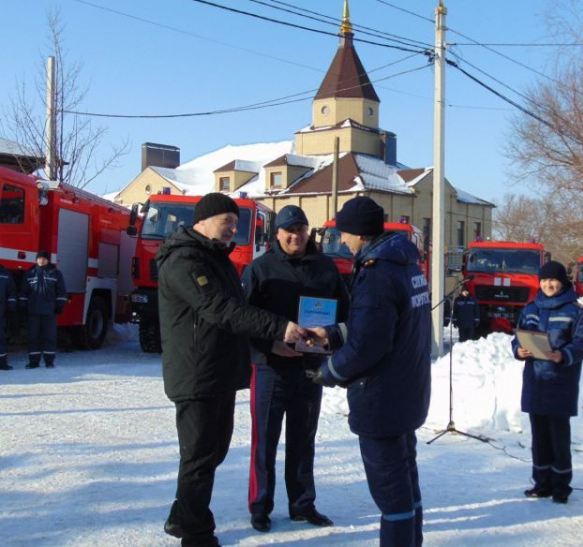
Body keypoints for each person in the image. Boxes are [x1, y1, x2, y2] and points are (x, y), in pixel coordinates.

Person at [156, 193, 307, 547]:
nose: (234, 231)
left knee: (213, 452)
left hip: (217, 371)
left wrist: (271, 344)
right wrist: (279, 327)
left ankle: (181, 516)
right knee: (198, 457)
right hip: (196, 374)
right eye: (229, 222)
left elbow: (235, 315)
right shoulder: (184, 261)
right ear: (205, 220)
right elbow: (219, 309)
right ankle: (196, 535)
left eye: (237, 224)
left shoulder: (215, 259)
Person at [308, 196, 431, 547]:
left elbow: (368, 346)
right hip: (408, 392)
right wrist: (333, 333)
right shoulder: (405, 264)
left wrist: (329, 371)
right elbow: (379, 327)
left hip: (383, 399)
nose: (342, 241)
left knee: (391, 493)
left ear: (359, 234)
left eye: (344, 234)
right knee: (406, 481)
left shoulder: (377, 272)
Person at [243, 205, 349, 533]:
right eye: (289, 229)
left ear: (308, 232)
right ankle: (260, 506)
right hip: (270, 367)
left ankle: (302, 504)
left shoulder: (325, 268)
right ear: (276, 234)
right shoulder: (260, 270)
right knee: (265, 440)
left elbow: (346, 313)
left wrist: (330, 341)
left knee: (304, 438)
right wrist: (267, 346)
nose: (295, 235)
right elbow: (241, 320)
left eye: (301, 229)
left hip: (309, 367)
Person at [511, 260, 583, 504]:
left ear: (562, 282)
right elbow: (517, 337)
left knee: (559, 437)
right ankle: (541, 483)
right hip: (535, 382)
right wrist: (519, 350)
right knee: (539, 438)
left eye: (553, 280)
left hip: (560, 383)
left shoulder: (575, 311)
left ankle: (560, 486)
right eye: (544, 280)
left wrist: (563, 355)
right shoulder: (531, 308)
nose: (548, 284)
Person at [19, 251, 67, 368]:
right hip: (33, 312)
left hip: (49, 312)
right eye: (39, 258)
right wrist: (23, 306)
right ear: (36, 260)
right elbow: (23, 292)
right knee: (33, 337)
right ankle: (33, 362)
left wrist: (59, 306)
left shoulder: (55, 274)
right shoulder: (30, 273)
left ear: (48, 260)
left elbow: (61, 292)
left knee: (49, 337)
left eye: (43, 259)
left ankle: (49, 362)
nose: (41, 260)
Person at [0, 263, 17, 370]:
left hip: (1, 312)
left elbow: (12, 291)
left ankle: (2, 362)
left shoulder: (5, 274)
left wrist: (11, 304)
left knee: (1, 338)